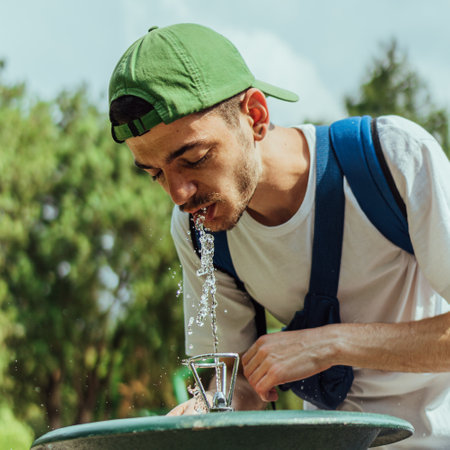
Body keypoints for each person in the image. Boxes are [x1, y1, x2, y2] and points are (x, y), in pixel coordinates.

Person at [108, 23, 450, 448]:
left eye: (194, 158)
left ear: (255, 116)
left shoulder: (392, 159)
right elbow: (235, 388)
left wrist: (332, 344)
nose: (179, 193)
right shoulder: (198, 229)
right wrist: (204, 411)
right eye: (155, 173)